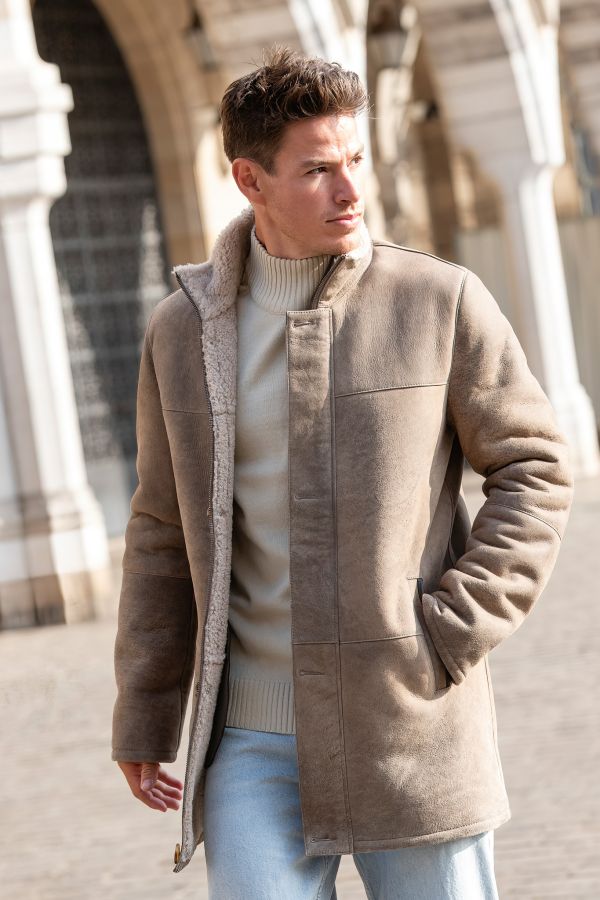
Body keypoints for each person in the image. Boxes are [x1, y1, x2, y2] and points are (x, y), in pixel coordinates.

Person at [111, 48, 574, 899]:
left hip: (409, 724)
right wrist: (146, 707)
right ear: (250, 181)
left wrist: (450, 629)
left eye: (354, 158)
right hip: (249, 744)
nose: (350, 189)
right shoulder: (181, 333)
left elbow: (535, 464)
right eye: (318, 170)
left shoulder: (437, 300)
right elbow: (161, 528)